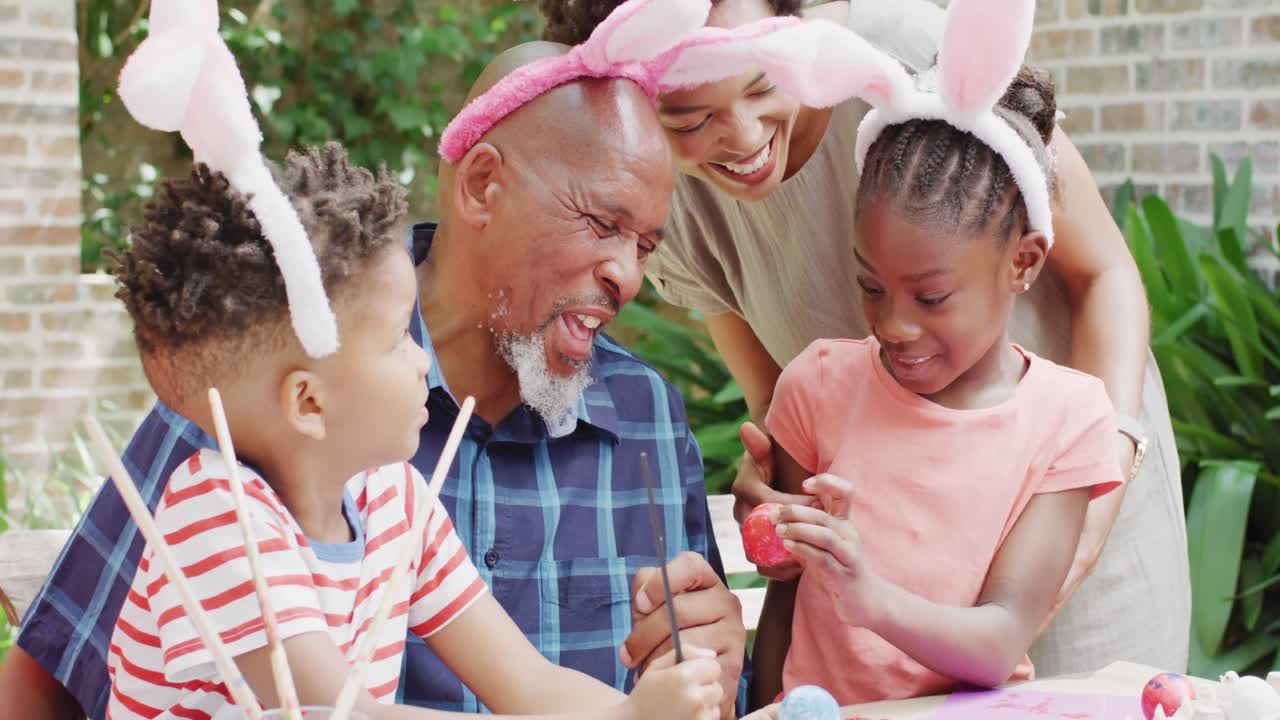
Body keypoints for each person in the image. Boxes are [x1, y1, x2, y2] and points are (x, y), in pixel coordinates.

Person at [0, 26, 749, 720]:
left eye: (646, 245)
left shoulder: (397, 494)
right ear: (483, 184)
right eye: (602, 223)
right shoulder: (226, 438)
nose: (628, 276)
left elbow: (532, 685)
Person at [537, 0, 1191, 691]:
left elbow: (1106, 274)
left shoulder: (907, 62)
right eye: (691, 119)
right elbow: (778, 399)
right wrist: (778, 494)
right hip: (893, 577)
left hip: (1070, 496)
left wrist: (1105, 467)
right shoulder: (675, 192)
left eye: (764, 86)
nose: (742, 135)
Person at [104, 142, 725, 720]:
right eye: (400, 337)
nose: (424, 360)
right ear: (309, 403)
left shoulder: (393, 499)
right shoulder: (217, 518)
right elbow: (347, 715)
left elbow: (528, 685)